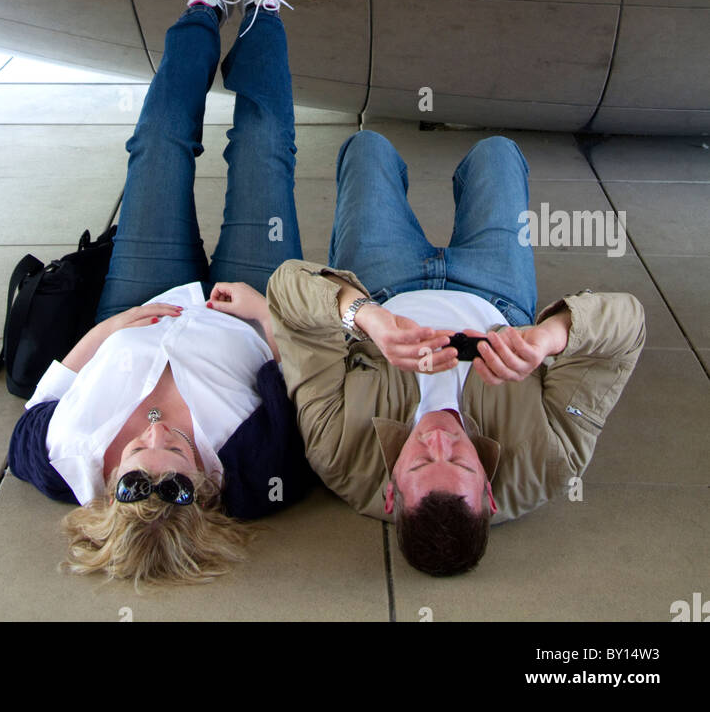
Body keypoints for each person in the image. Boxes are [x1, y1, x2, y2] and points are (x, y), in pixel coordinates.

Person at [7, 0, 314, 587]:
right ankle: (262, 3)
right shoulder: (259, 475)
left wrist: (111, 328)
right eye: (172, 473)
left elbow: (46, 395)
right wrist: (266, 316)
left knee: (158, 141)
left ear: (107, 490)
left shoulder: (60, 459)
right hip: (247, 312)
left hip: (136, 303)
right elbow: (306, 388)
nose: (152, 442)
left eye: (131, 474)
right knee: (264, 146)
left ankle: (204, 3)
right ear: (202, 496)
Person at [266, 130, 645, 575]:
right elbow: (628, 325)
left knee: (367, 148)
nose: (441, 440)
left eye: (423, 459)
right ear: (488, 493)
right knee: (497, 153)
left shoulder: (338, 452)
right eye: (463, 462)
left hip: (385, 285)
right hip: (496, 293)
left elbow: (288, 292)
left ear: (391, 493)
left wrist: (367, 319)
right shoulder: (547, 460)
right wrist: (549, 338)